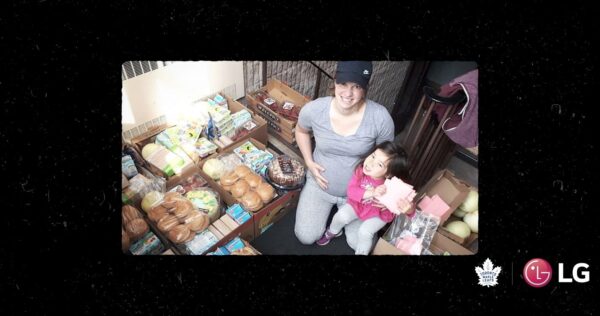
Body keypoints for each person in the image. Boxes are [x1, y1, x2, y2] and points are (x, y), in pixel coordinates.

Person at [294, 61, 395, 245]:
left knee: (358, 244)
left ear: (365, 88)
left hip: (362, 193)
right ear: (335, 81)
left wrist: (386, 194)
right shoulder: (315, 109)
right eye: (343, 84)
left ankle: (340, 221)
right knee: (305, 237)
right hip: (321, 186)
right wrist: (308, 161)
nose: (348, 94)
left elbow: (389, 159)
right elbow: (301, 131)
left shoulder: (380, 118)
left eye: (356, 86)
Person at [315, 141, 415, 254]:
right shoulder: (360, 171)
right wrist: (371, 192)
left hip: (378, 215)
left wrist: (398, 207)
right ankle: (333, 231)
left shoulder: (394, 186)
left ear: (388, 174)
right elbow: (351, 192)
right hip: (358, 205)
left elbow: (406, 211)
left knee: (365, 232)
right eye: (373, 156)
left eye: (379, 164)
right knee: (341, 215)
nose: (370, 163)